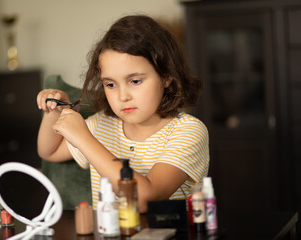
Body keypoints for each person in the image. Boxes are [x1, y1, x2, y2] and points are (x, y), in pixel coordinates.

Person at [37, 14, 209, 213]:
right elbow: (49, 151)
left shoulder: (189, 132)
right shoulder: (102, 124)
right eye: (110, 84)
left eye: (135, 81)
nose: (122, 96)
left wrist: (84, 138)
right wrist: (55, 111)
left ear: (166, 78)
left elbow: (144, 198)